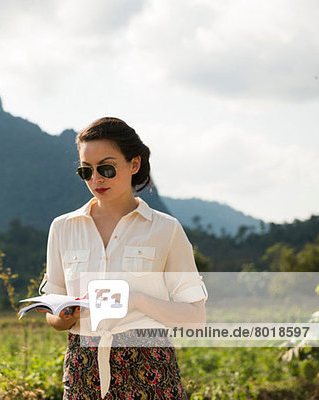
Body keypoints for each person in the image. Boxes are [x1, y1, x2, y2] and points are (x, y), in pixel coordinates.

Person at [40, 117, 207, 399]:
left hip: (150, 367)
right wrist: (66, 315)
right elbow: (52, 313)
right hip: (85, 368)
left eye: (106, 168)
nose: (96, 179)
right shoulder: (62, 228)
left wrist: (135, 299)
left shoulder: (166, 229)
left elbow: (195, 317)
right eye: (86, 171)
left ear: (134, 164)